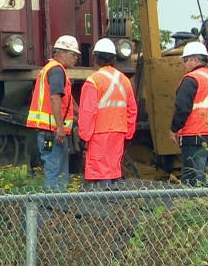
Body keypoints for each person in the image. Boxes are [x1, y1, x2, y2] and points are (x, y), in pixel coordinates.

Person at [78, 38, 137, 190]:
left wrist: (84, 137)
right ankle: (115, 203)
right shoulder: (124, 80)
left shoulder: (94, 81)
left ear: (95, 57)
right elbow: (132, 109)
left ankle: (104, 206)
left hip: (99, 133)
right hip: (119, 131)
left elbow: (88, 112)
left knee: (100, 171)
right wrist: (128, 133)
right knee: (113, 168)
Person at [168, 41, 208, 186]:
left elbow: (182, 108)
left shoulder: (191, 79)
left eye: (185, 60)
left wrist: (174, 129)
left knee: (192, 178)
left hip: (194, 135)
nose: (184, 65)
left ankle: (193, 206)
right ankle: (203, 205)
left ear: (195, 60)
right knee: (202, 175)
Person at [26, 34, 80, 192]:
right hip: (52, 132)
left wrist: (79, 114)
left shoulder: (53, 69)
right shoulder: (57, 70)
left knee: (59, 170)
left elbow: (66, 99)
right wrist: (60, 128)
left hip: (50, 130)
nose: (75, 58)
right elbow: (55, 98)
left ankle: (58, 206)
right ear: (61, 53)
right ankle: (51, 205)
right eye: (73, 54)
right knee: (54, 169)